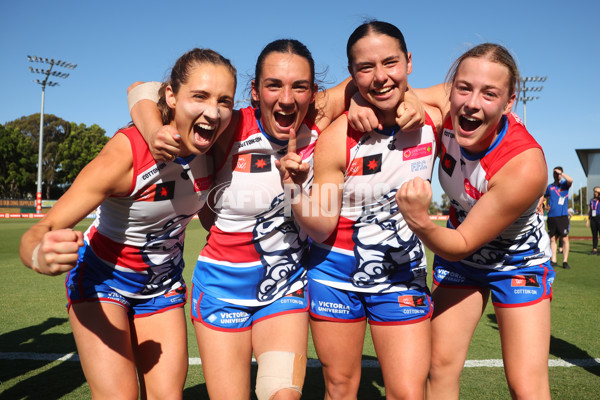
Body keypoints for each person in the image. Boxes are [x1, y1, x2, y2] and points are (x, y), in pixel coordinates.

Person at [128, 38, 426, 400]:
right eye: (274, 85)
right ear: (254, 91)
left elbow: (379, 80)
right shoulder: (229, 125)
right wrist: (152, 129)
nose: (287, 99)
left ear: (314, 92)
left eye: (299, 86)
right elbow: (140, 89)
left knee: (282, 394)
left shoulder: (318, 117)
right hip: (222, 288)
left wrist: (402, 99)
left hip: (284, 289)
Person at [19, 48, 237, 400]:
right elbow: (37, 233)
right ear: (171, 95)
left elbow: (139, 91)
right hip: (102, 281)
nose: (213, 111)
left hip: (161, 286)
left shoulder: (217, 140)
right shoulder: (126, 154)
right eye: (200, 96)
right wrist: (39, 255)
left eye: (224, 100)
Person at [278, 21, 442, 399]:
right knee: (340, 387)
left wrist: (412, 97)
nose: (380, 76)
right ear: (352, 74)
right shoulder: (337, 136)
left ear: (409, 62)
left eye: (390, 63)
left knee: (407, 391)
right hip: (334, 274)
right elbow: (320, 227)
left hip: (402, 274)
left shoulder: (433, 117)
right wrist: (290, 191)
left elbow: (470, 90)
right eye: (365, 68)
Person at [397, 43, 554, 400]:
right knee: (437, 367)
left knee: (526, 385)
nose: (471, 102)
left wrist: (419, 221)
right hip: (463, 262)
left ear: (509, 102)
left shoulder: (525, 164)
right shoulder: (450, 102)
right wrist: (364, 103)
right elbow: (388, 91)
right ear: (451, 88)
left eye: (489, 94)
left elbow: (464, 241)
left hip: (515, 261)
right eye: (464, 87)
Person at [545, 166, 574, 269]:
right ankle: (554, 260)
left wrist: (561, 173)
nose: (556, 175)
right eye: (554, 173)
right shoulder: (550, 187)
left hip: (562, 216)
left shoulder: (565, 185)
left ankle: (565, 261)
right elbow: (544, 196)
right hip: (552, 216)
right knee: (552, 238)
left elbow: (571, 180)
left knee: (565, 238)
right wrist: (544, 205)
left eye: (557, 174)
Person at [588, 186, 600, 255]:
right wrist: (588, 219)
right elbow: (590, 210)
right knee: (594, 235)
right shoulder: (592, 200)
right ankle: (594, 249)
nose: (595, 193)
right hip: (593, 218)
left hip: (599, 217)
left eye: (597, 192)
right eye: (594, 191)